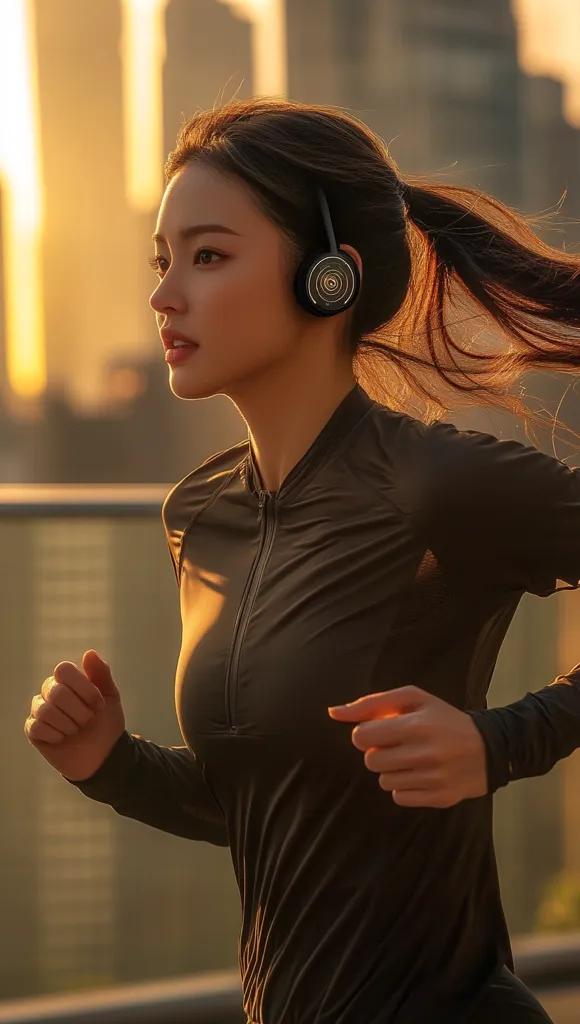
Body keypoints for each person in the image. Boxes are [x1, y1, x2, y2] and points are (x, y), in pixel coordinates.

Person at [24, 96, 580, 1023]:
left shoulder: (436, 484)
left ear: (328, 277)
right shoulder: (197, 516)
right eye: (163, 261)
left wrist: (501, 740)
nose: (165, 294)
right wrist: (110, 763)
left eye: (209, 256)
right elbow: (270, 809)